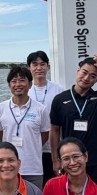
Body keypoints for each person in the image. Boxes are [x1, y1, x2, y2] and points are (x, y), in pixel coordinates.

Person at [49, 53, 97, 186]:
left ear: (96, 80)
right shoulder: (60, 99)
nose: (87, 78)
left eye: (93, 76)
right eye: (84, 72)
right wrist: (55, 160)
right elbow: (54, 130)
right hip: (71, 160)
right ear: (78, 71)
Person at [0, 65, 50, 190]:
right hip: (7, 168)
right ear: (9, 85)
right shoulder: (0, 108)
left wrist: (31, 145)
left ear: (30, 84)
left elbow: (44, 135)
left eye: (22, 80)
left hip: (33, 169)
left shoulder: (41, 109)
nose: (18, 84)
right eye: (14, 81)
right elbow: (1, 134)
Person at [27, 51, 65, 184]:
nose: (39, 68)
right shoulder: (25, 90)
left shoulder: (58, 89)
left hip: (53, 148)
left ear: (48, 67)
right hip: (31, 149)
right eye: (35, 64)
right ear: (29, 68)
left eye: (42, 64)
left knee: (53, 185)